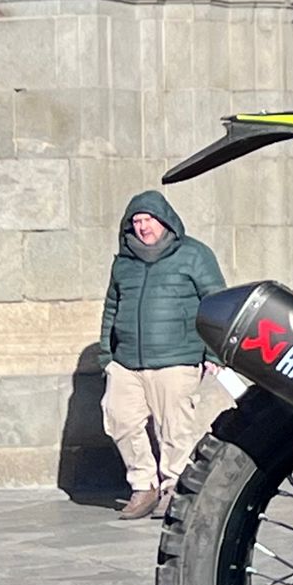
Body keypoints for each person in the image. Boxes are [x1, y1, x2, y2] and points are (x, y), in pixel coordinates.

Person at [96, 193, 226, 519]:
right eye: (136, 222)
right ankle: (143, 487)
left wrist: (214, 352)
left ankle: (174, 489)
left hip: (177, 359)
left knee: (176, 430)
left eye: (148, 220)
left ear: (164, 220)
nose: (142, 228)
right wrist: (106, 355)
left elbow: (217, 301)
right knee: (120, 419)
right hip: (127, 361)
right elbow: (112, 307)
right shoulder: (124, 262)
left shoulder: (194, 255)